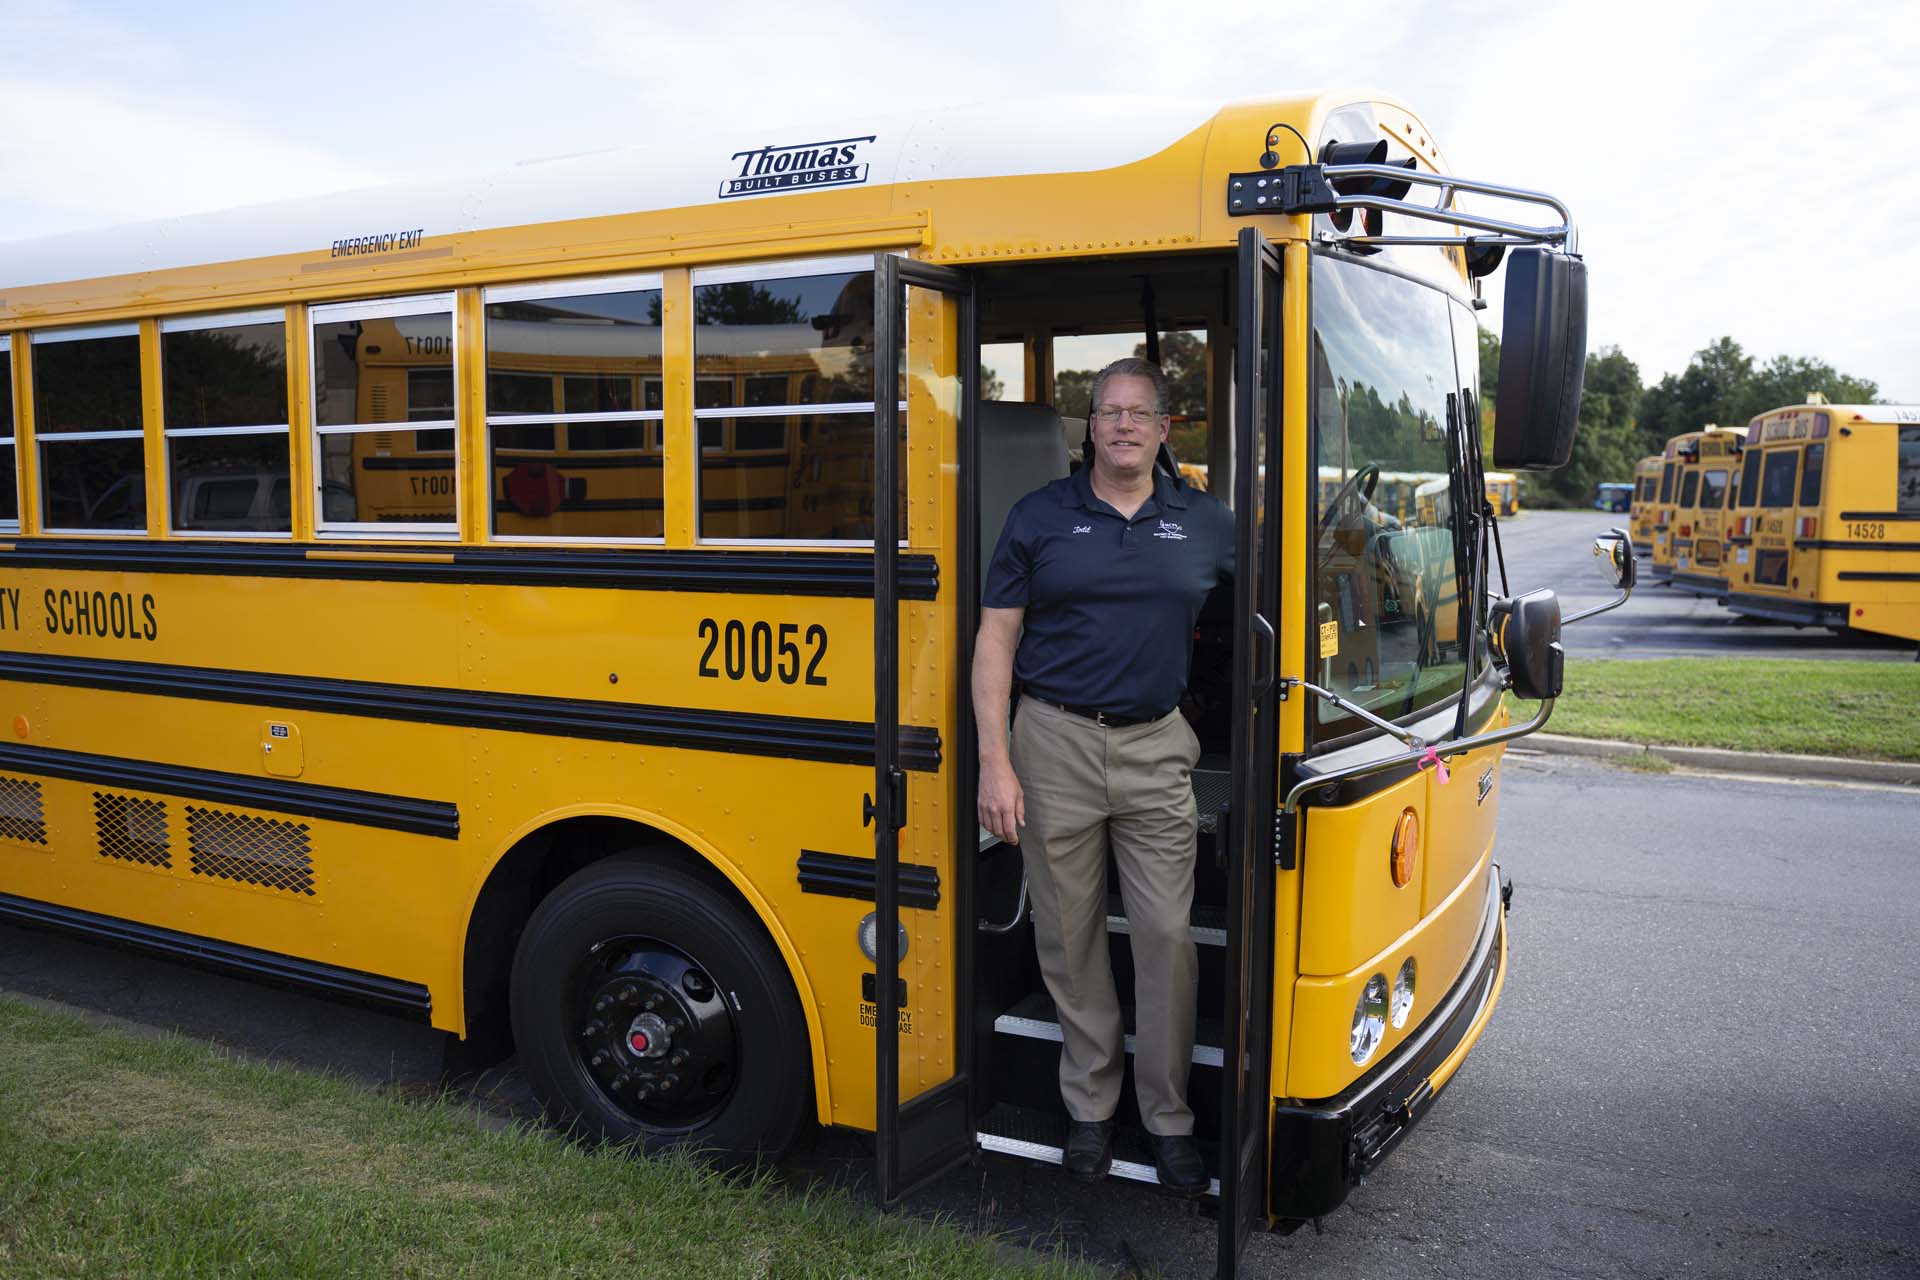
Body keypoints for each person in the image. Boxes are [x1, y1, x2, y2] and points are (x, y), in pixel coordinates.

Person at [972, 356, 1233, 1195]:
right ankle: (1089, 1107)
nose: (1122, 425)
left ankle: (1167, 1119)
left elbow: (1272, 613)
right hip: (1052, 744)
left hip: (1158, 746)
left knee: (1164, 936)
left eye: (1139, 413)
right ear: (1089, 428)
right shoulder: (1040, 516)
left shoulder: (1207, 523)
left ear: (1165, 429)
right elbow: (995, 640)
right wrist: (995, 762)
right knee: (1070, 935)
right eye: (1108, 411)